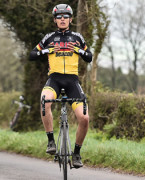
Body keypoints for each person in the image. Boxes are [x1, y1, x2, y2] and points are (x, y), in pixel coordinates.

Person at [29, 4, 92, 168]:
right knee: (45, 101)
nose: (62, 19)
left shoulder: (77, 37)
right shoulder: (49, 38)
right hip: (54, 80)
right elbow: (32, 54)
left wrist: (78, 50)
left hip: (72, 81)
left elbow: (89, 57)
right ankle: (50, 141)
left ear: (71, 19)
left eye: (66, 16)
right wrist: (46, 50)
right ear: (55, 20)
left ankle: (77, 153)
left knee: (84, 118)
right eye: (59, 17)